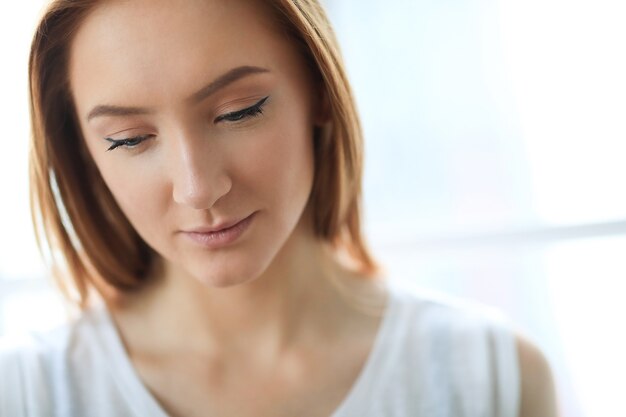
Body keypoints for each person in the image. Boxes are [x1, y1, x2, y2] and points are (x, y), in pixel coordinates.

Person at [0, 0, 558, 416]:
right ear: (82, 152)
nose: (198, 189)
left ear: (318, 88)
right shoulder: (28, 395)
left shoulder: (489, 380)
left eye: (239, 111)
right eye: (128, 140)